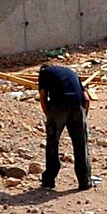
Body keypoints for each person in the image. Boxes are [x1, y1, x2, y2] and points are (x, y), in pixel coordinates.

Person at [38, 57, 94, 192]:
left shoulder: (44, 73)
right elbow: (86, 99)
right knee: (81, 144)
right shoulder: (71, 72)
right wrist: (83, 118)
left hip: (59, 105)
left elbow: (43, 97)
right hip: (78, 105)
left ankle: (49, 180)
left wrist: (49, 117)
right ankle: (85, 181)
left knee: (53, 142)